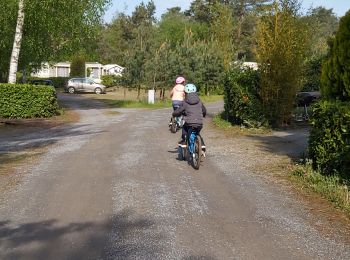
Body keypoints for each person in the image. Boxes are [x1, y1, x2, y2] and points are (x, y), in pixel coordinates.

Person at [172, 83, 206, 151]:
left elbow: (179, 111)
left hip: (189, 122)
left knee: (184, 128)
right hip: (199, 122)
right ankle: (202, 144)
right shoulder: (199, 101)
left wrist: (174, 114)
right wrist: (203, 115)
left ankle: (184, 141)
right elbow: (204, 110)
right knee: (197, 132)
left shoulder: (185, 102)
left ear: (185, 93)